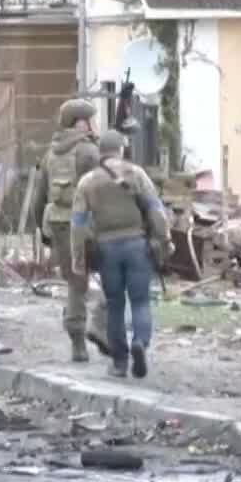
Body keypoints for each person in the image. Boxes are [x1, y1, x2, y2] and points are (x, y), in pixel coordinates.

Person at [70, 129, 171, 379]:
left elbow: (78, 224)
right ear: (122, 149)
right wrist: (164, 240)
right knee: (140, 301)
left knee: (114, 305)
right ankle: (140, 342)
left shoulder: (87, 182)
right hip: (137, 246)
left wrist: (78, 258)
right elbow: (156, 210)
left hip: (107, 249)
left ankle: (119, 363)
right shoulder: (136, 174)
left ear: (100, 152)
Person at [43, 98, 102, 362]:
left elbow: (39, 196)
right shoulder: (88, 152)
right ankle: (93, 333)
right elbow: (99, 189)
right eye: (92, 120)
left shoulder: (52, 152)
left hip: (57, 222)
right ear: (82, 123)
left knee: (75, 281)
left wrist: (42, 229)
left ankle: (77, 333)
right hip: (83, 224)